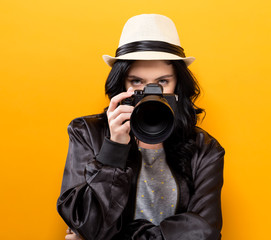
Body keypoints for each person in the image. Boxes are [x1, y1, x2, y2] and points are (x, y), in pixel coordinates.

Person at [57, 14, 225, 240]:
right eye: (137, 81)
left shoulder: (204, 148)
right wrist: (113, 149)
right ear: (122, 85)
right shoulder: (87, 132)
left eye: (163, 81)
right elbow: (86, 221)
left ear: (178, 86)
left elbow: (204, 232)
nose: (151, 91)